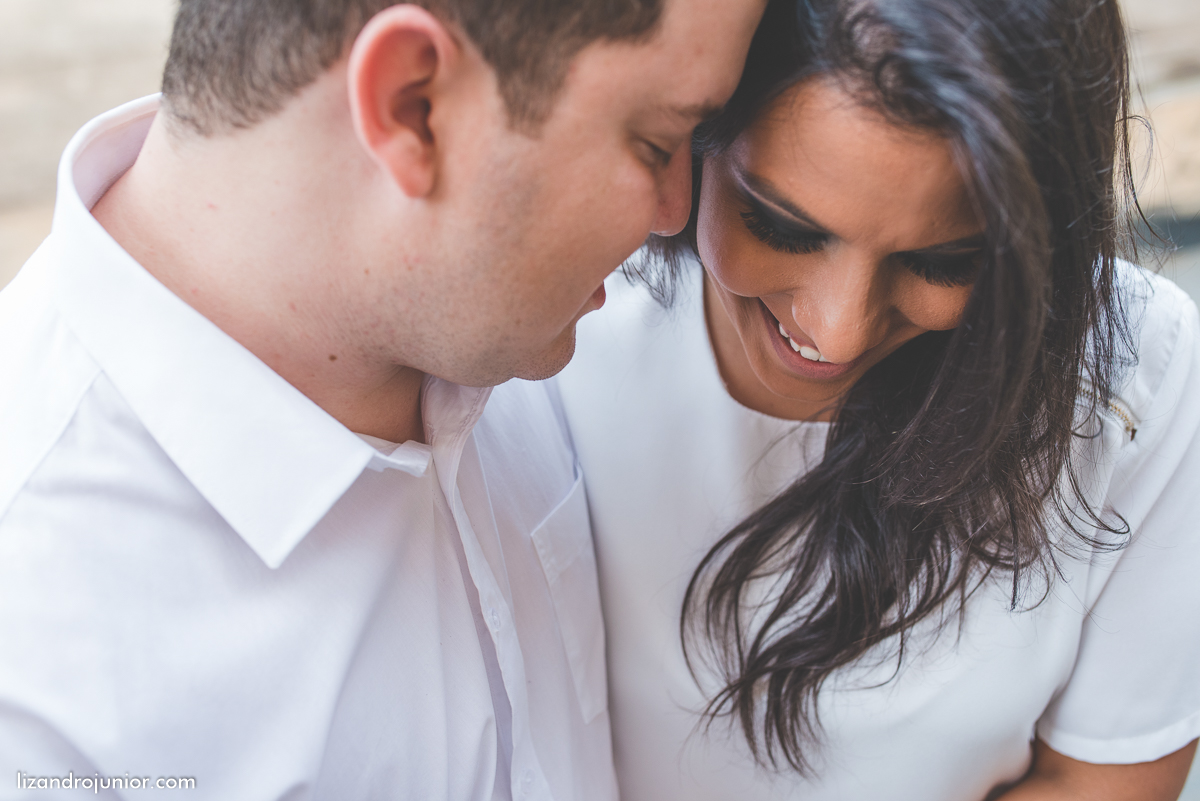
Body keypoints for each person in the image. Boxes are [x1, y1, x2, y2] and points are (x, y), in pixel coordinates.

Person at [0, 0, 766, 797]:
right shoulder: (40, 695)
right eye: (656, 143)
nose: (677, 210)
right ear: (415, 104)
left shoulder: (502, 319)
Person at [557, 0, 1200, 798]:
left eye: (944, 261)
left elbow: (1102, 776)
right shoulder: (558, 323)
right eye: (783, 227)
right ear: (696, 132)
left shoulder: (1141, 376)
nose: (839, 332)